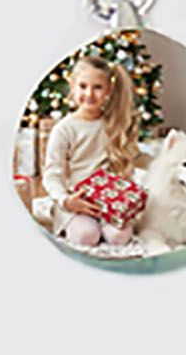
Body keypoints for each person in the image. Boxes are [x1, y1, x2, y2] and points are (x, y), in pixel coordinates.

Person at [40, 54, 142, 251]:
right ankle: (74, 225)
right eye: (83, 86)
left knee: (120, 237)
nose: (89, 93)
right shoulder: (64, 129)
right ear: (72, 86)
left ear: (109, 90)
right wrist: (65, 200)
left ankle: (103, 228)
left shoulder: (112, 125)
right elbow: (52, 174)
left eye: (97, 87)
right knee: (86, 236)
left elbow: (125, 167)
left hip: (107, 201)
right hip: (75, 202)